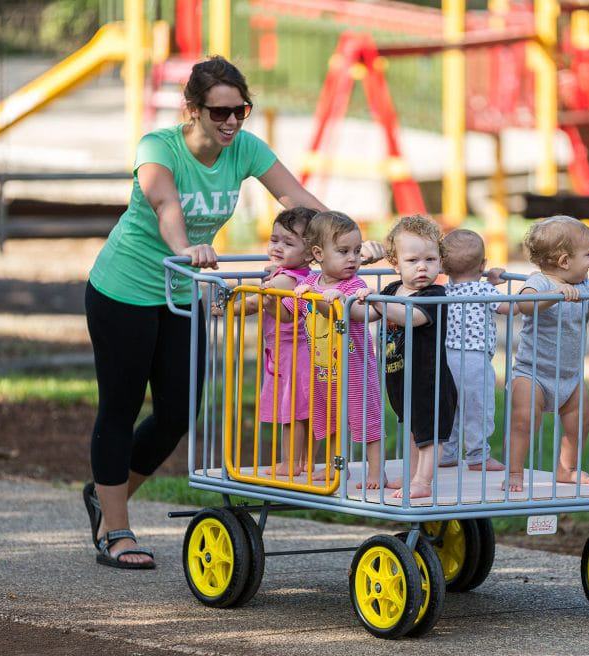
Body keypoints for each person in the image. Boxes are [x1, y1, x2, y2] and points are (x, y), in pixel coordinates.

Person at [82, 56, 331, 569]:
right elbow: (165, 204)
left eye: (240, 110)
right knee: (121, 406)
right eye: (219, 113)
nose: (231, 122)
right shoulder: (159, 146)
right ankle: (116, 528)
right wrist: (187, 249)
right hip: (123, 291)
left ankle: (105, 498)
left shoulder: (243, 149)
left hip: (180, 295)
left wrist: (345, 242)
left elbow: (296, 199)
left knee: (176, 413)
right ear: (191, 109)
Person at [505, 216, 589, 493]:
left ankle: (566, 469)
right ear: (565, 261)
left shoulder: (585, 286)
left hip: (569, 376)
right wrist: (556, 293)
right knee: (523, 421)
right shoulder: (539, 282)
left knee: (580, 422)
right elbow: (525, 305)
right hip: (532, 374)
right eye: (588, 254)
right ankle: (514, 472)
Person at [361, 215, 457, 499]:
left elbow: (410, 317)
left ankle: (423, 481)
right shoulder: (392, 290)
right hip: (401, 377)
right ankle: (411, 476)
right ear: (395, 263)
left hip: (431, 381)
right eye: (413, 260)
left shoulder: (434, 294)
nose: (423, 267)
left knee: (430, 435)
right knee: (413, 432)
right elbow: (364, 314)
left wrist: (377, 301)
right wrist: (348, 302)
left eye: (430, 259)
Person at [292, 211, 385, 488]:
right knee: (331, 420)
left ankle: (376, 471)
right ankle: (336, 469)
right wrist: (268, 294)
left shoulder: (352, 285)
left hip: (355, 370)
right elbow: (288, 309)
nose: (353, 258)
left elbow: (356, 314)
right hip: (323, 370)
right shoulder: (308, 284)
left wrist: (333, 300)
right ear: (319, 253)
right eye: (343, 251)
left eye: (357, 251)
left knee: (365, 419)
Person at [231, 206, 318, 478]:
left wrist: (228, 306)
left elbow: (256, 303)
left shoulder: (284, 280)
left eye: (288, 243)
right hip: (299, 352)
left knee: (291, 412)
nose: (278, 247)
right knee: (306, 409)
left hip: (294, 354)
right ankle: (306, 462)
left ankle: (289, 463)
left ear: (310, 252)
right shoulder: (304, 276)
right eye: (274, 239)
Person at [438, 229, 513, 472]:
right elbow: (507, 308)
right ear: (483, 265)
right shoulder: (484, 291)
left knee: (450, 407)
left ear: (443, 267)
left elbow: (467, 286)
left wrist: (487, 281)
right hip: (474, 360)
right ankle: (478, 456)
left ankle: (447, 452)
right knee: (477, 408)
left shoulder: (443, 292)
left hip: (446, 357)